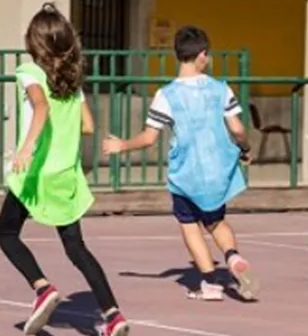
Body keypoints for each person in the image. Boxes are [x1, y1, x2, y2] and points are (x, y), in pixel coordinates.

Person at [0, 2, 129, 336]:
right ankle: (113, 316)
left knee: (6, 234)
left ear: (35, 43)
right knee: (76, 249)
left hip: (37, 174)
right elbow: (88, 125)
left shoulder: (29, 71)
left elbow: (40, 106)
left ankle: (42, 288)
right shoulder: (71, 82)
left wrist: (27, 147)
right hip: (66, 176)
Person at [102, 25, 259, 302]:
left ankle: (210, 284)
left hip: (186, 174)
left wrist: (121, 145)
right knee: (216, 221)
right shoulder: (220, 89)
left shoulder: (166, 95)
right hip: (217, 172)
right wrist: (245, 148)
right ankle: (233, 257)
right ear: (202, 55)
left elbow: (149, 138)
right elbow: (236, 128)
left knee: (189, 225)